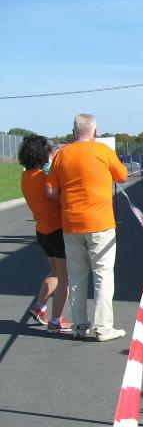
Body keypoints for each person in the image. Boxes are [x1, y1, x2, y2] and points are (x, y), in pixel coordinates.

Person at [45, 114, 129, 341]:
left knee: (77, 276)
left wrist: (67, 198)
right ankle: (104, 327)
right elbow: (122, 176)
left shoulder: (62, 154)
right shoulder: (103, 151)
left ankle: (79, 325)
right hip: (101, 224)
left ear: (74, 132)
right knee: (103, 275)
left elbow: (50, 191)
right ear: (95, 132)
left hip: (71, 224)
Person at [19, 136, 71, 333]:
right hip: (56, 230)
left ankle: (40, 306)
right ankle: (56, 320)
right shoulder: (45, 179)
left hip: (42, 231)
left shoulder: (25, 176)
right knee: (65, 278)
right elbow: (62, 196)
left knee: (55, 272)